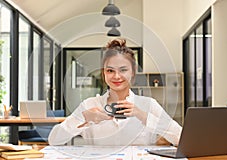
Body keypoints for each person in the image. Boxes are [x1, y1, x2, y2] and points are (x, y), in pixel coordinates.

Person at [48, 38, 182, 146]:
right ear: (104, 73)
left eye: (123, 70)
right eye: (110, 70)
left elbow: (180, 138)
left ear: (133, 73)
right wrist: (84, 117)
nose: (116, 76)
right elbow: (54, 139)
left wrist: (143, 116)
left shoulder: (148, 105)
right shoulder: (90, 105)